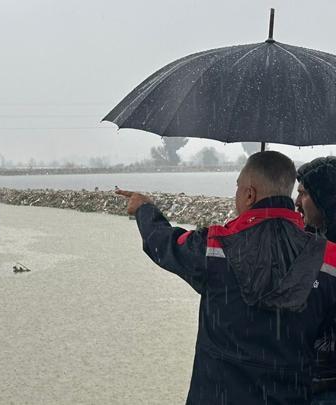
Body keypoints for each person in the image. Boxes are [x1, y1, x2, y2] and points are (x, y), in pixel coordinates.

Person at [116, 151, 336, 405]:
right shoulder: (328, 258)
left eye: (238, 188)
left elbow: (164, 243)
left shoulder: (214, 247)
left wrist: (144, 209)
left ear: (249, 194)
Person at [296, 157, 336, 404]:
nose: (296, 203)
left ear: (326, 197)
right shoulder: (308, 243)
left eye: (304, 194)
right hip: (305, 381)